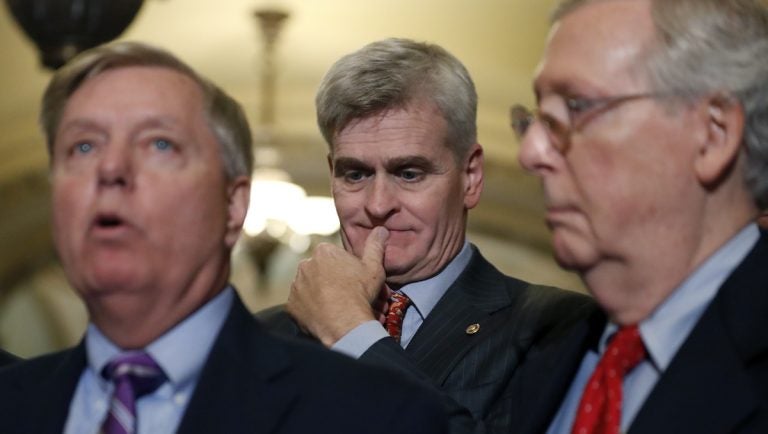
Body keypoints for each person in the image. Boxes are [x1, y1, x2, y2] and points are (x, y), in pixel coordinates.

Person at [0, 41, 449, 434]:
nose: (110, 169)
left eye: (159, 144)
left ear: (234, 206)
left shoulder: (377, 415)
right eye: (84, 146)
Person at [258, 37, 593, 433]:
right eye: (355, 174)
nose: (378, 204)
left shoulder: (556, 327)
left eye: (409, 173)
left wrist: (352, 334)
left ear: (470, 177)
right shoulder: (262, 339)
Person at [507, 0, 768, 433]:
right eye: (536, 119)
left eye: (576, 106)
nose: (530, 152)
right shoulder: (540, 358)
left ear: (713, 135)